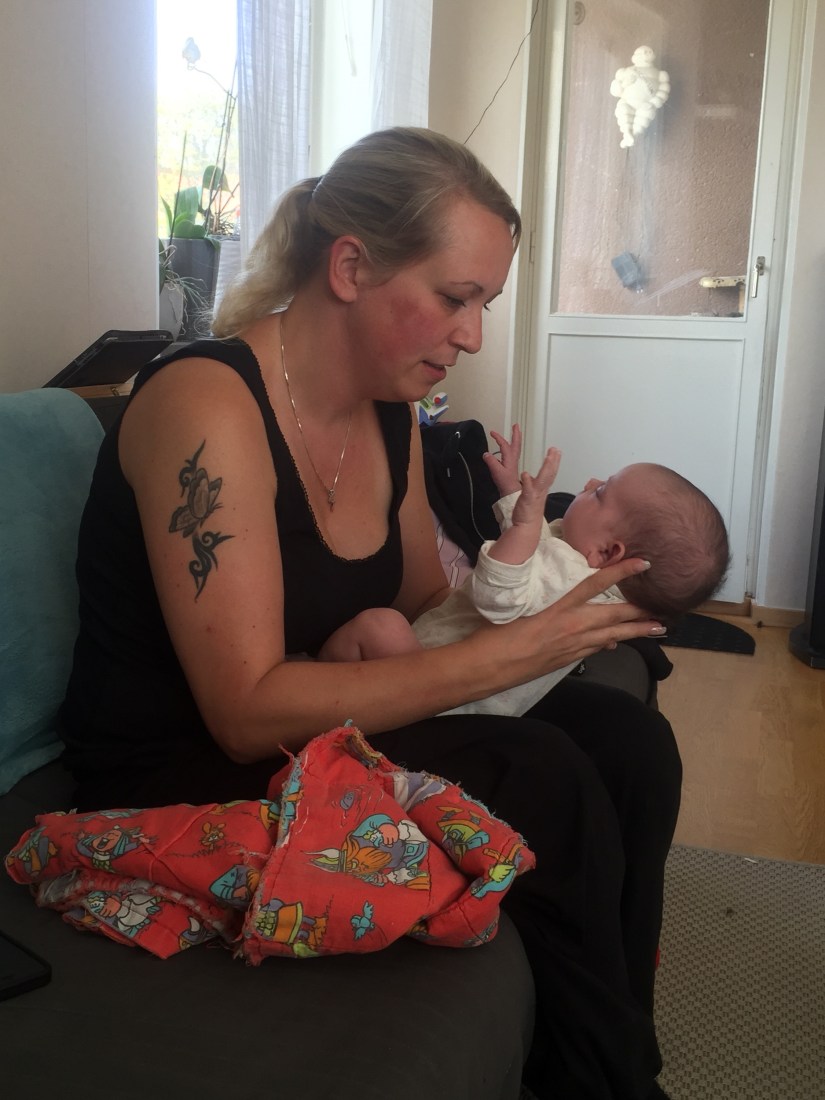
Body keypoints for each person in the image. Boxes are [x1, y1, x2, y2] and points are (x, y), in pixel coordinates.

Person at [58, 127, 680, 1099]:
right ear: (350, 266)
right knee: (545, 774)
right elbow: (244, 711)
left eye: (483, 304)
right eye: (455, 297)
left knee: (632, 743)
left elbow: (425, 604)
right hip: (184, 759)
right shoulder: (205, 406)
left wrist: (535, 592)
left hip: (331, 698)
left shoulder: (392, 414)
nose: (472, 335)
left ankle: (613, 1044)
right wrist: (511, 656)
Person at [319, 424, 730, 718]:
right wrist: (514, 495)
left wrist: (525, 523)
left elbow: (498, 595)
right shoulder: (585, 575)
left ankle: (317, 693)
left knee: (381, 627)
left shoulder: (570, 577)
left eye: (602, 492)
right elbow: (539, 550)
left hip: (436, 695)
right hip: (467, 695)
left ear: (608, 551)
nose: (589, 483)